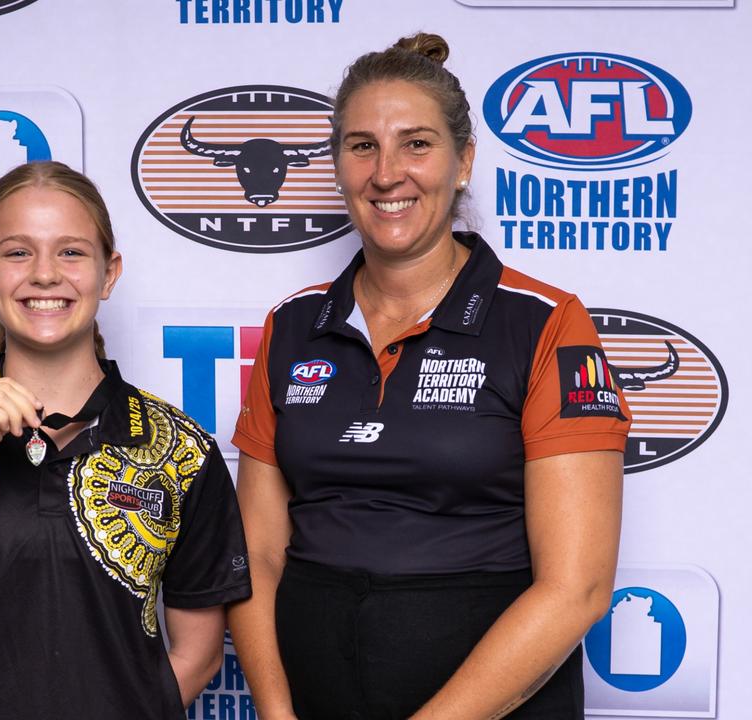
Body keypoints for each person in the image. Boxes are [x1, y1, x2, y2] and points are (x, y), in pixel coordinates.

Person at [229, 34, 630, 720]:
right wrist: (275, 713)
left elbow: (579, 588)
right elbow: (258, 556)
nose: (388, 173)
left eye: (416, 144)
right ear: (337, 165)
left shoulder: (547, 324)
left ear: (464, 160)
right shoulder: (292, 328)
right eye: (362, 146)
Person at [0, 161, 251, 719]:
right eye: (18, 252)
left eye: (72, 252)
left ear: (109, 273)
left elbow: (198, 656)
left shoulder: (179, 446)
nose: (46, 274)